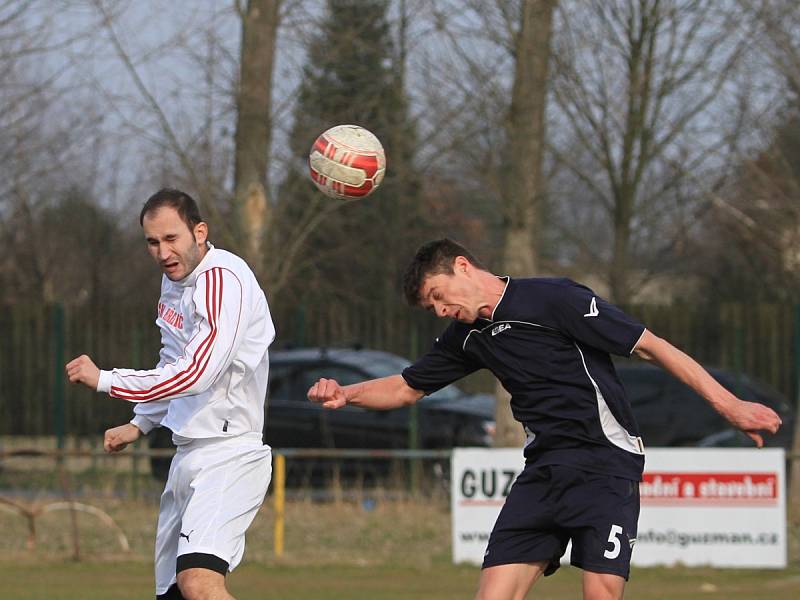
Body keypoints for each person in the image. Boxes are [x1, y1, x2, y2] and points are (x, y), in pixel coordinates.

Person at [307, 238, 782, 600]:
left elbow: (651, 345)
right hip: (543, 473)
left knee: (600, 593)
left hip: (604, 465)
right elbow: (406, 387)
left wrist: (729, 405)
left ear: (463, 267)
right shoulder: (466, 336)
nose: (439, 310)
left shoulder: (553, 299)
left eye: (437, 295)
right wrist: (345, 393)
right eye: (431, 306)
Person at [66, 188, 275, 600]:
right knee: (174, 595)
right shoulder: (174, 283)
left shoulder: (222, 280)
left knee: (199, 584)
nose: (162, 252)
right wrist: (139, 422)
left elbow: (197, 373)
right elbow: (172, 361)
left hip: (228, 453)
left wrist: (107, 379)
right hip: (188, 453)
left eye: (171, 239)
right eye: (152, 242)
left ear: (199, 232)